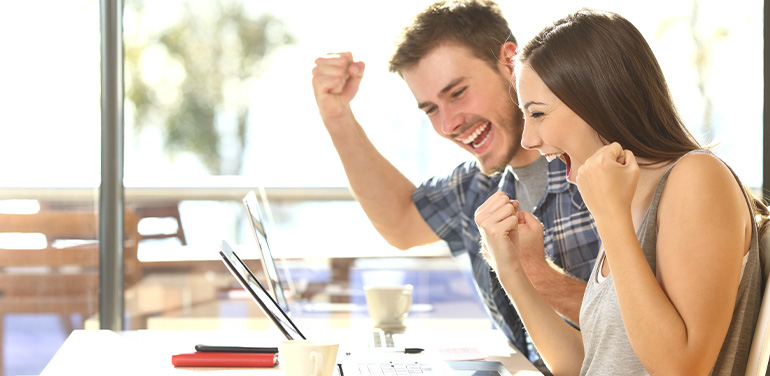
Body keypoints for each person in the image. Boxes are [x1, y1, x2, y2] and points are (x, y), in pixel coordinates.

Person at [475, 8, 768, 375]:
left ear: (597, 101)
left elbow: (682, 367)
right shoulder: (628, 201)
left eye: (537, 114)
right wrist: (511, 272)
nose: (528, 140)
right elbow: (588, 364)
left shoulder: (696, 178)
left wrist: (610, 218)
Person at [311, 0, 600, 371]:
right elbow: (400, 222)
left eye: (457, 92)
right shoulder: (478, 186)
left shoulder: (601, 167)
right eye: (431, 109)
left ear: (510, 62)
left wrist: (532, 274)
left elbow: (655, 328)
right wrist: (337, 116)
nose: (448, 124)